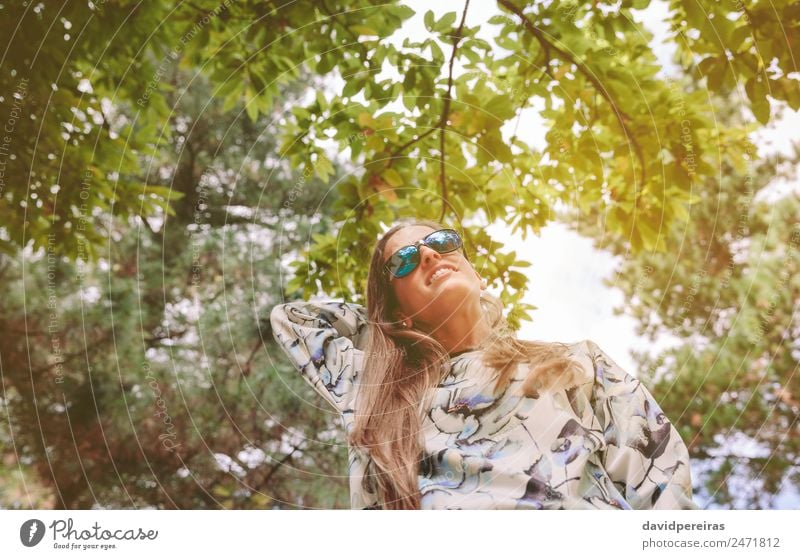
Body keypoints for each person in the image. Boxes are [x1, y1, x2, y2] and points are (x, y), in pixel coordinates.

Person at [269, 218, 700, 510]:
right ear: (393, 309)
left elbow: (659, 476)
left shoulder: (572, 362)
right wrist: (385, 325)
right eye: (402, 261)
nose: (428, 256)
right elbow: (295, 321)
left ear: (478, 274)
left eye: (440, 242)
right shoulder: (376, 390)